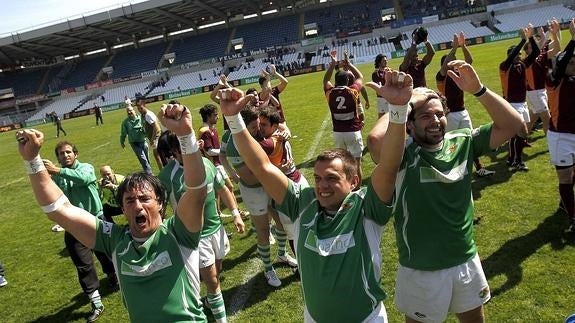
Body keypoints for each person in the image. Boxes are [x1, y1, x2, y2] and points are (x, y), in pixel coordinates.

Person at [217, 78, 408, 321]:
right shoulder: (303, 202)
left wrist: (399, 110)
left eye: (331, 178)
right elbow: (262, 167)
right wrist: (234, 121)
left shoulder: (366, 207)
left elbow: (389, 165)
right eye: (317, 178)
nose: (322, 186)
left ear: (354, 182)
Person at [16, 102, 209, 322]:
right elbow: (60, 210)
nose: (137, 205)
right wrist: (32, 161)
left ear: (160, 203)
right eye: (129, 201)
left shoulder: (179, 232)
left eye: (145, 199)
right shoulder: (115, 240)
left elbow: (196, 190)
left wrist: (185, 134)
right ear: (123, 209)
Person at [365, 61, 523, 322]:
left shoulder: (463, 142)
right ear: (409, 124)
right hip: (421, 269)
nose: (436, 121)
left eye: (439, 114)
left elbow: (512, 124)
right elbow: (375, 142)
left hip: (465, 260)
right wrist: (403, 102)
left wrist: (480, 90)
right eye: (426, 116)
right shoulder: (402, 155)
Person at [157, 130, 245, 323]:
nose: (187, 154)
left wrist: (236, 215)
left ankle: (200, 295)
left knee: (217, 271)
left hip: (217, 229)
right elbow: (158, 207)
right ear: (174, 152)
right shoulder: (167, 176)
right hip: (194, 237)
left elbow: (223, 190)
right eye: (181, 150)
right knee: (213, 280)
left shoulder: (206, 164)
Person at [220, 106, 297, 288]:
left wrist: (284, 132)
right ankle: (268, 268)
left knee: (281, 223)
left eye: (259, 126)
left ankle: (281, 253)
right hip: (254, 189)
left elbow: (281, 127)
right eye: (254, 127)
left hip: (268, 183)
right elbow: (250, 177)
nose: (259, 130)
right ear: (242, 128)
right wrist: (279, 170)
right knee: (263, 231)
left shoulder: (255, 135)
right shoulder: (233, 144)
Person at [41, 141, 118, 322]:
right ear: (57, 157)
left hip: (96, 219)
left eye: (68, 152)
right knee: (83, 264)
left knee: (105, 253)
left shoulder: (86, 167)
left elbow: (83, 179)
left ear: (76, 154)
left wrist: (57, 171)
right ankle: (96, 302)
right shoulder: (57, 177)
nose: (65, 155)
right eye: (61, 154)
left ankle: (113, 276)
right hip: (74, 225)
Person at [437, 32, 494, 177]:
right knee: (449, 144)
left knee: (470, 140)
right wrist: (454, 48)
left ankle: (479, 167)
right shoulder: (441, 77)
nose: (455, 63)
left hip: (462, 111)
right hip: (449, 115)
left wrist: (463, 46)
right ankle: (448, 170)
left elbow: (469, 60)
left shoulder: (459, 74)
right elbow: (445, 66)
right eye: (452, 62)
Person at [546, 19, 575, 232]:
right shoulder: (553, 79)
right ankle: (573, 217)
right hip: (560, 138)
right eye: (572, 63)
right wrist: (573, 39)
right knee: (565, 177)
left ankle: (565, 203)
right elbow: (562, 63)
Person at [500, 24, 539, 171]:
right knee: (519, 133)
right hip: (512, 104)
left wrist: (530, 37)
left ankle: (512, 159)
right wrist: (522, 41)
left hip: (522, 103)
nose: (519, 56)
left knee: (519, 134)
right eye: (516, 55)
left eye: (519, 55)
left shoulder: (522, 64)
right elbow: (511, 57)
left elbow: (535, 51)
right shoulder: (505, 66)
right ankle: (517, 161)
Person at [323, 51, 364, 183]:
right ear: (347, 80)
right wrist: (349, 64)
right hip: (353, 131)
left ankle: (345, 188)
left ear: (336, 81)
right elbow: (360, 77)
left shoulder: (330, 93)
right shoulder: (352, 91)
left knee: (343, 165)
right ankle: (358, 191)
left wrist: (333, 64)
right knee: (357, 165)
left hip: (338, 133)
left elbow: (325, 80)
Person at [524, 20, 561, 135]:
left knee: (532, 119)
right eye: (530, 47)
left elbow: (557, 49)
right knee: (547, 119)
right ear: (527, 51)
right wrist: (530, 36)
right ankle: (551, 144)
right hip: (535, 93)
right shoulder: (527, 62)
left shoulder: (541, 56)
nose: (533, 48)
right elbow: (539, 48)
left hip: (541, 91)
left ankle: (520, 139)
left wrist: (555, 34)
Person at [120, 105, 153, 174]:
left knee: (147, 158)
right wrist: (122, 142)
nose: (129, 112)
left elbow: (147, 129)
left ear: (134, 111)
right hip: (134, 143)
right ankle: (150, 174)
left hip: (143, 141)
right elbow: (123, 133)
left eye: (130, 110)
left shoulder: (141, 118)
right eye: (127, 111)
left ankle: (148, 172)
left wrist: (149, 137)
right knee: (143, 158)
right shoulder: (126, 123)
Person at [136, 99, 163, 171]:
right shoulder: (143, 115)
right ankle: (163, 170)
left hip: (157, 137)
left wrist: (153, 139)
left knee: (157, 155)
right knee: (159, 155)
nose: (139, 110)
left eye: (141, 108)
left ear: (145, 105)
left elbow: (157, 128)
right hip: (154, 137)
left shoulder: (148, 115)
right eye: (138, 109)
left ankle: (162, 171)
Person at [372, 54, 391, 118]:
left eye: (386, 60)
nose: (386, 62)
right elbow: (379, 90)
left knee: (389, 118)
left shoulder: (389, 71)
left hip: (389, 97)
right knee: (382, 118)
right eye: (384, 61)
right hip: (381, 99)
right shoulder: (376, 73)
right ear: (379, 62)